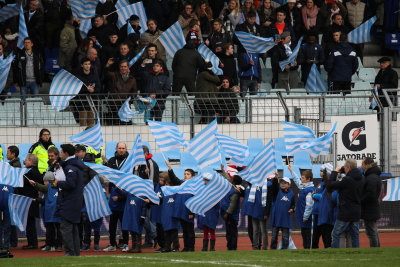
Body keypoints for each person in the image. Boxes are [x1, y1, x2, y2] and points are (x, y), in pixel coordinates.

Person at [54, 144, 85, 256]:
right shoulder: (73, 165)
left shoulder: (70, 167)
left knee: (66, 228)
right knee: (73, 229)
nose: (60, 154)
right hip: (75, 201)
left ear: (66, 153)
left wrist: (58, 183)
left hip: (70, 201)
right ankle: (75, 252)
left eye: (61, 152)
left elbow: (71, 184)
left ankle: (70, 252)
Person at [327, 159, 364, 248]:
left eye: (345, 167)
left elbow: (330, 185)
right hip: (356, 210)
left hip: (346, 211)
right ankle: (356, 252)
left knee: (335, 233)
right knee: (355, 235)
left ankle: (335, 252)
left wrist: (335, 172)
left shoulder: (347, 180)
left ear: (348, 167)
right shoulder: (362, 178)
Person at [103, 142, 130, 252]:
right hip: (114, 191)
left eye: (123, 148)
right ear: (116, 149)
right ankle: (112, 244)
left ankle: (125, 244)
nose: (121, 150)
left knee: (124, 223)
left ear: (126, 149)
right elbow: (107, 173)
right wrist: (104, 162)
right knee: (112, 224)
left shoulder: (129, 161)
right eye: (119, 148)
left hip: (125, 191)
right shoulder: (111, 161)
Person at [14, 154, 43, 249]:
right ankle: (32, 242)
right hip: (32, 200)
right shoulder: (37, 172)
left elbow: (20, 184)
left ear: (31, 161)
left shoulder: (29, 172)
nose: (24, 162)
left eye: (26, 160)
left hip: (28, 201)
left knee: (29, 223)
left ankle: (32, 243)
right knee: (30, 222)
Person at [29, 171, 62, 252]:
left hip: (50, 211)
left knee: (50, 230)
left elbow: (40, 187)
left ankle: (49, 245)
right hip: (58, 211)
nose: (44, 183)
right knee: (59, 229)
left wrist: (34, 183)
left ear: (48, 180)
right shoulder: (59, 186)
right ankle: (58, 245)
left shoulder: (48, 187)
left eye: (44, 181)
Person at [169, 162, 196, 252]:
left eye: (188, 174)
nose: (185, 175)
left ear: (192, 176)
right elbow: (174, 179)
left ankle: (191, 247)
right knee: (184, 231)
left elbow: (194, 200)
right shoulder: (181, 183)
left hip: (188, 212)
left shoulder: (194, 186)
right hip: (181, 211)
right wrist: (170, 169)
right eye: (184, 174)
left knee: (190, 231)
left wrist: (192, 212)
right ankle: (186, 247)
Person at [104, 59, 138, 125]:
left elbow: (134, 91)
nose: (123, 68)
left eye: (125, 66)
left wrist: (130, 100)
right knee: (114, 126)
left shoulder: (132, 79)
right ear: (119, 68)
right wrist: (107, 65)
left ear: (128, 67)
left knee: (125, 127)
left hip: (125, 107)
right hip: (114, 106)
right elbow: (106, 73)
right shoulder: (114, 75)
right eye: (122, 66)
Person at [289, 165, 314, 249]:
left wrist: (306, 217)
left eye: (303, 178)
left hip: (306, 218)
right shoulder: (304, 186)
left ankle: (308, 250)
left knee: (307, 235)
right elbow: (297, 181)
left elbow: (309, 205)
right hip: (303, 217)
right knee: (304, 234)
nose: (301, 179)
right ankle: (305, 249)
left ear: (308, 179)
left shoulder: (310, 190)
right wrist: (291, 171)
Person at [267, 176, 295, 249]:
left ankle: (284, 250)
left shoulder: (291, 193)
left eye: (285, 183)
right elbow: (274, 186)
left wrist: (292, 209)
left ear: (289, 185)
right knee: (274, 237)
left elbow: (293, 205)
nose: (282, 184)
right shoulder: (276, 191)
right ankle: (273, 250)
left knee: (285, 237)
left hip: (286, 218)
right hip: (276, 218)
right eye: (281, 182)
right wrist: (275, 179)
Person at [73, 57, 102, 126]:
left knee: (91, 125)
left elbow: (99, 88)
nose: (87, 66)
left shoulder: (94, 75)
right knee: (82, 125)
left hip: (92, 103)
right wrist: (86, 90)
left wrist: (93, 90)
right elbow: (76, 89)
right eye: (85, 64)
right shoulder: (78, 76)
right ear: (82, 65)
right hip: (82, 103)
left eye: (89, 64)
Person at [312, 163, 335, 249]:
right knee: (315, 236)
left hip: (324, 213)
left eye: (322, 171)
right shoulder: (321, 182)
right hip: (318, 212)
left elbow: (323, 196)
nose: (320, 172)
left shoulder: (327, 184)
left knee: (326, 234)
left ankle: (328, 248)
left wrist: (314, 196)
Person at [361, 157, 382, 247]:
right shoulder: (372, 176)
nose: (361, 166)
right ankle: (376, 248)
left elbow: (370, 194)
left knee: (371, 232)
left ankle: (375, 249)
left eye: (362, 164)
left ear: (366, 165)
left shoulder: (371, 177)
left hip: (370, 208)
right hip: (372, 207)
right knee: (373, 230)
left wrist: (360, 200)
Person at [220, 167, 243, 251]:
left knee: (232, 232)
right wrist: (223, 171)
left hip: (231, 216)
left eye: (232, 178)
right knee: (229, 232)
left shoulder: (235, 191)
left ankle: (232, 247)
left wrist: (227, 213)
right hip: (229, 215)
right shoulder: (231, 187)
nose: (230, 178)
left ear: (234, 181)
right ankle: (230, 246)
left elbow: (232, 205)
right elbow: (226, 178)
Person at [198, 175, 220, 251]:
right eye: (204, 180)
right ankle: (205, 247)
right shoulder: (201, 190)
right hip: (204, 213)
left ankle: (212, 248)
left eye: (206, 180)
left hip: (211, 213)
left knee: (211, 230)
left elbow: (217, 204)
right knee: (205, 231)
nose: (204, 182)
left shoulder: (214, 191)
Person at [6, 146, 21, 248]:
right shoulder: (12, 164)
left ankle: (13, 242)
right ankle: (12, 242)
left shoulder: (15, 165)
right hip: (11, 194)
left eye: (8, 153)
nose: (6, 154)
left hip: (13, 195)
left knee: (10, 219)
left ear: (13, 154)